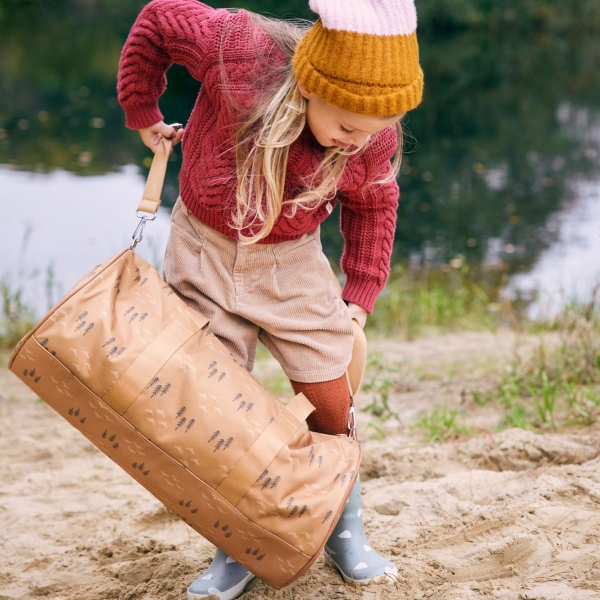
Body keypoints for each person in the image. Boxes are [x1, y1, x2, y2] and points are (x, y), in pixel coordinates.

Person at [118, 0, 423, 597]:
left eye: (372, 132)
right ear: (313, 85)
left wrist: (360, 293)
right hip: (201, 248)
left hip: (290, 265)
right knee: (217, 405)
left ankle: (343, 529)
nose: (357, 141)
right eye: (349, 125)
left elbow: (374, 206)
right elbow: (155, 20)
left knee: (330, 392)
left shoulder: (370, 139)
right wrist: (142, 111)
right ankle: (235, 544)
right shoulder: (238, 51)